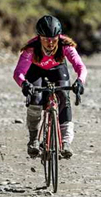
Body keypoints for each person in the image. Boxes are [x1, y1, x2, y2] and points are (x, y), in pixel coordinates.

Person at [13, 15, 87, 159]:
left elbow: (80, 66)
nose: (50, 43)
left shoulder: (65, 44)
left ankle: (66, 142)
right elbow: (19, 72)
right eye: (46, 39)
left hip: (58, 70)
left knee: (64, 98)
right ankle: (34, 139)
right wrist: (24, 83)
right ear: (39, 37)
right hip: (36, 71)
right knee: (35, 99)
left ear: (59, 36)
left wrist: (80, 81)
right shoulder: (31, 48)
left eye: (54, 39)